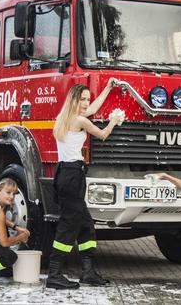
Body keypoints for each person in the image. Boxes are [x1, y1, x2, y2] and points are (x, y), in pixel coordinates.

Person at [46, 79, 124, 290]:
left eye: (87, 99)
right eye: (82, 99)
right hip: (72, 175)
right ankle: (54, 274)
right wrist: (114, 120)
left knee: (86, 225)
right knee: (68, 225)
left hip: (64, 173)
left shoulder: (63, 118)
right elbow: (103, 135)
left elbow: (94, 108)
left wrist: (108, 88)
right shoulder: (80, 121)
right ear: (74, 99)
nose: (86, 103)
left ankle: (88, 271)